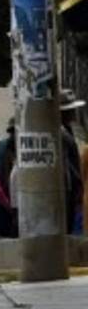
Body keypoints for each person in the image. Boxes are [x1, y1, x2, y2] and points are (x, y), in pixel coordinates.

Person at [61, 96, 85, 235]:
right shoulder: (63, 134)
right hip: (68, 189)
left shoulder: (68, 130)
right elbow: (69, 166)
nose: (74, 113)